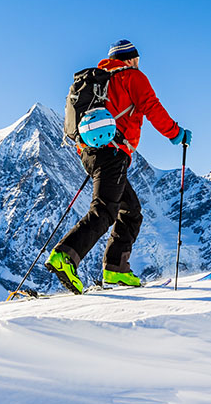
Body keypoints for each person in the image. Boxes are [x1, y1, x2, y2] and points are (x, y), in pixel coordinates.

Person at [45, 39, 191, 294]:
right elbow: (152, 107)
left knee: (131, 210)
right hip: (113, 152)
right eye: (137, 60)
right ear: (131, 58)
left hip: (89, 152)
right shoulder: (132, 77)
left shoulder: (100, 79)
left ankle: (116, 268)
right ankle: (64, 256)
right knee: (105, 210)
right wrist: (175, 133)